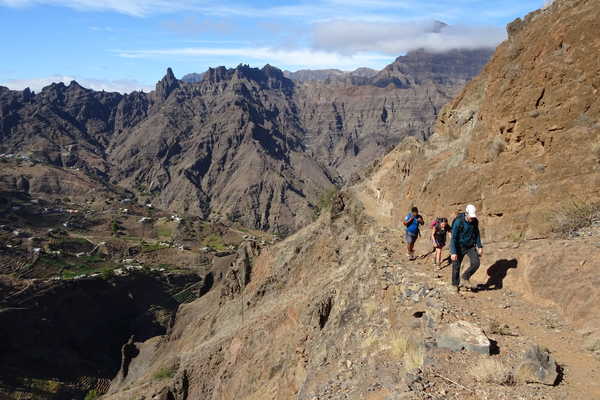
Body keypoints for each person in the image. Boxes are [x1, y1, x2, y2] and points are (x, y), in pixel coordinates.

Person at [449, 204, 483, 292]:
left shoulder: (475, 221)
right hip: (459, 246)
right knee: (456, 265)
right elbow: (454, 237)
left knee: (476, 263)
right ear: (466, 214)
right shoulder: (458, 222)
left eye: (473, 217)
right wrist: (453, 252)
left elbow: (477, 234)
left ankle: (465, 277)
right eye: (470, 217)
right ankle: (454, 284)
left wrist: (479, 246)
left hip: (470, 246)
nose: (472, 219)